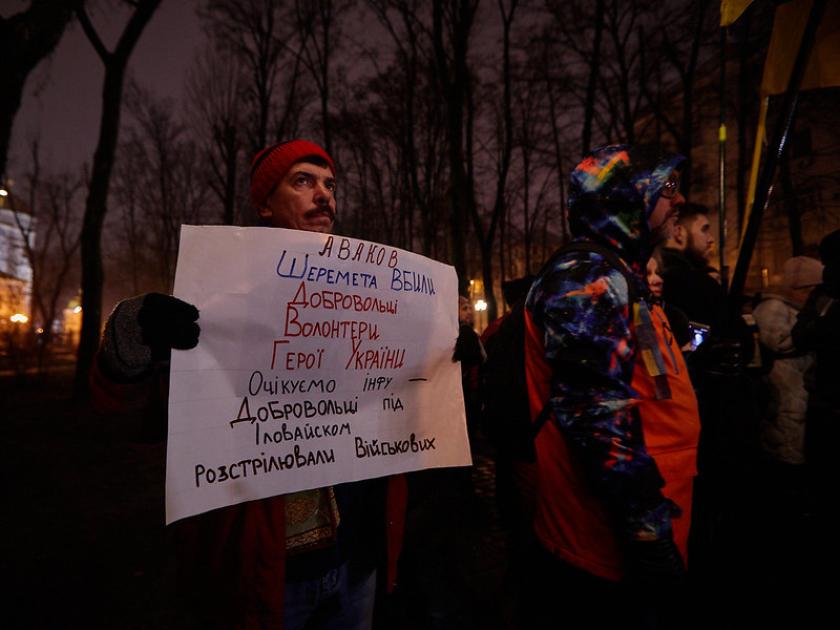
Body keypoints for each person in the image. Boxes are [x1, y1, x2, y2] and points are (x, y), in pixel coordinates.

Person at [91, 139, 408, 630]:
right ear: (265, 204)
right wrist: (132, 335)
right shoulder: (216, 303)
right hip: (272, 574)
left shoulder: (368, 302)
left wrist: (452, 363)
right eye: (303, 181)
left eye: (330, 185)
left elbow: (400, 403)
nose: (324, 194)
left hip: (356, 560)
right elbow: (134, 413)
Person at [521, 145, 701, 629]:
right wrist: (649, 536)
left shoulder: (621, 273)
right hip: (606, 547)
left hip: (644, 528)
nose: (679, 199)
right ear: (626, 197)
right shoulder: (586, 278)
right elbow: (596, 418)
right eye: (666, 188)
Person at [659, 203, 728, 336]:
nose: (711, 239)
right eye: (704, 230)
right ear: (679, 232)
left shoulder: (654, 275)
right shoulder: (697, 283)